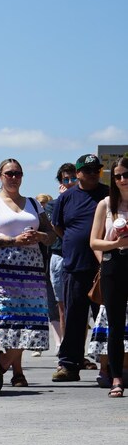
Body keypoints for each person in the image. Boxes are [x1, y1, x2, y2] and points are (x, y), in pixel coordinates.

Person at [0, 160, 56, 388]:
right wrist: (13, 240)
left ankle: (0, 366)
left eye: (18, 173)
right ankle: (6, 368)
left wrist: (39, 236)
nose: (14, 177)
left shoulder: (33, 203)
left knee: (32, 319)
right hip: (2, 271)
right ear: (0, 175)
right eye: (9, 173)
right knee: (8, 320)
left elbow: (51, 235)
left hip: (31, 271)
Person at [52, 154, 110, 382]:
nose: (93, 173)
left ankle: (111, 365)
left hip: (104, 266)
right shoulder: (67, 198)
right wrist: (75, 240)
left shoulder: (108, 194)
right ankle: (69, 365)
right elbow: (58, 226)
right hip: (75, 265)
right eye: (87, 170)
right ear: (77, 174)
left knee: (105, 318)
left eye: (96, 170)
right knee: (75, 318)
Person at [89, 156, 128, 398]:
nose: (123, 180)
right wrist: (116, 243)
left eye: (126, 174)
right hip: (113, 265)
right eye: (118, 176)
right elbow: (94, 241)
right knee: (114, 325)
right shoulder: (105, 204)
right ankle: (116, 378)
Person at [46, 163, 78, 341]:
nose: (70, 182)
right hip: (60, 256)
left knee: (82, 306)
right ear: (60, 182)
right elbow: (56, 225)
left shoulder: (88, 201)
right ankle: (67, 349)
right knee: (63, 306)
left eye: (73, 178)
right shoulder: (53, 205)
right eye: (66, 179)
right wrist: (65, 198)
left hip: (83, 256)